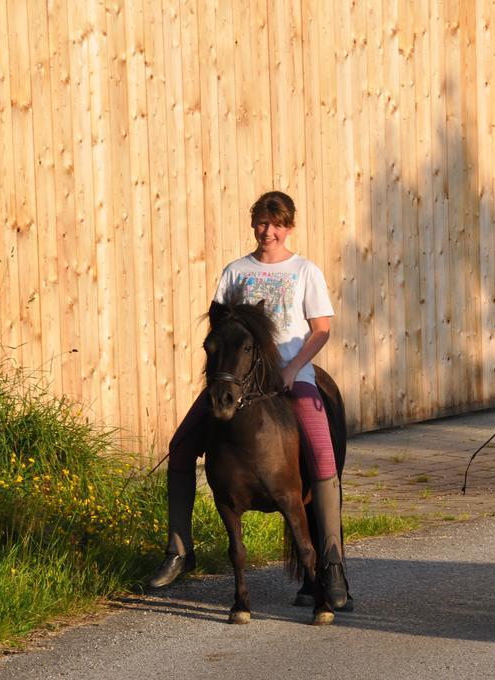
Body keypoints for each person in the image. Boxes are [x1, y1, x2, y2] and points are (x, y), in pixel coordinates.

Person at [149, 190, 349, 606]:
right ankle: (179, 550)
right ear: (253, 223)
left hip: (292, 378)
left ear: (289, 227)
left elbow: (322, 328)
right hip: (240, 381)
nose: (268, 231)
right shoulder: (236, 272)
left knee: (324, 458)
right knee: (180, 445)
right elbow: (219, 330)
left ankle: (331, 564)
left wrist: (294, 369)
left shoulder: (304, 270)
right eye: (261, 222)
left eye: (277, 224)